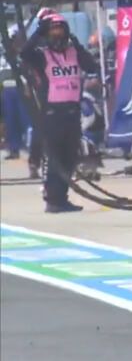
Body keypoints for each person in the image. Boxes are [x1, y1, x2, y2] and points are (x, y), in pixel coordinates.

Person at [19, 13, 99, 212]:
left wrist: (77, 44)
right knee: (53, 159)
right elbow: (24, 53)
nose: (58, 34)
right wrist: (39, 31)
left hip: (72, 113)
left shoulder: (74, 52)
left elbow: (92, 66)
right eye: (53, 30)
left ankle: (61, 198)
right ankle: (52, 199)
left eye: (61, 29)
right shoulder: (42, 55)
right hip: (52, 114)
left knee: (69, 158)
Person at [2, 26, 31, 162]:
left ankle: (31, 148)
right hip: (7, 90)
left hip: (20, 89)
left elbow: (27, 73)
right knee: (10, 120)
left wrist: (27, 88)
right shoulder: (4, 57)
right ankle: (14, 148)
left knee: (26, 119)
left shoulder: (23, 55)